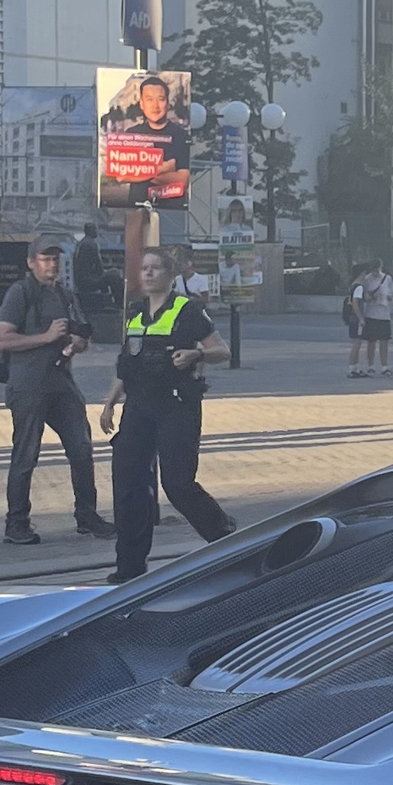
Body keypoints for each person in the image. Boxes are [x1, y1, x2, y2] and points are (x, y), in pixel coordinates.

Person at [99, 227, 232, 579]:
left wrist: (196, 353)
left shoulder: (187, 311)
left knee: (178, 485)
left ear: (170, 276)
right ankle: (129, 569)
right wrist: (110, 403)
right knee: (129, 487)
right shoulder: (135, 314)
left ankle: (225, 539)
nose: (147, 273)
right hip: (138, 409)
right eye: (144, 268)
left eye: (155, 268)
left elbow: (222, 350)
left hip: (176, 407)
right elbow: (125, 365)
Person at [0, 234, 112, 548]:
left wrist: (78, 344)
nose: (52, 264)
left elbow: (79, 336)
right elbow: (4, 339)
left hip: (61, 384)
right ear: (32, 263)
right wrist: (46, 337)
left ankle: (87, 516)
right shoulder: (20, 293)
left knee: (81, 448)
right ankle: (16, 523)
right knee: (26, 455)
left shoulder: (65, 295)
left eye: (56, 259)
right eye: (46, 259)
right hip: (28, 386)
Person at [358, 258, 393, 377]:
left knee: (384, 342)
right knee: (371, 342)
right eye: (373, 270)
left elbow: (392, 294)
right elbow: (364, 296)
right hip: (371, 314)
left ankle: (384, 366)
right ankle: (371, 366)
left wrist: (387, 297)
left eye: (377, 269)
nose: (375, 272)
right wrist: (372, 297)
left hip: (384, 314)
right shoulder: (367, 279)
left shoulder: (387, 279)